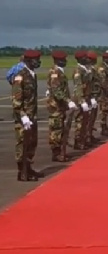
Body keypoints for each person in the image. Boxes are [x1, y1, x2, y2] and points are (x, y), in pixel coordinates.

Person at [12, 49, 44, 181]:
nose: (38, 62)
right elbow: (16, 99)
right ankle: (22, 171)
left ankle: (29, 167)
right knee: (22, 143)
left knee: (32, 142)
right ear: (29, 61)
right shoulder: (20, 76)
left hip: (32, 115)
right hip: (23, 117)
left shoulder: (32, 74)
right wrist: (22, 115)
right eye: (36, 60)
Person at [47, 50, 76, 162]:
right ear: (57, 60)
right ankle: (56, 153)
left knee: (60, 128)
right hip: (56, 106)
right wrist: (68, 100)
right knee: (56, 130)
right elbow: (57, 90)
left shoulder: (59, 71)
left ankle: (60, 152)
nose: (65, 61)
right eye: (63, 60)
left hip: (60, 106)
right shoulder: (55, 72)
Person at [72, 50, 91, 150]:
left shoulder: (85, 69)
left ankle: (83, 140)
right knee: (80, 121)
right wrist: (82, 101)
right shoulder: (78, 70)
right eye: (85, 57)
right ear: (80, 59)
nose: (87, 59)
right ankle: (78, 141)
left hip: (86, 98)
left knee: (85, 121)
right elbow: (78, 87)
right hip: (80, 99)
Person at [86, 51, 101, 144]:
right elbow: (88, 85)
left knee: (92, 118)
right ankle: (86, 138)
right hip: (89, 97)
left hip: (94, 96)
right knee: (88, 119)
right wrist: (91, 97)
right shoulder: (89, 70)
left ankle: (90, 135)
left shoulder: (92, 69)